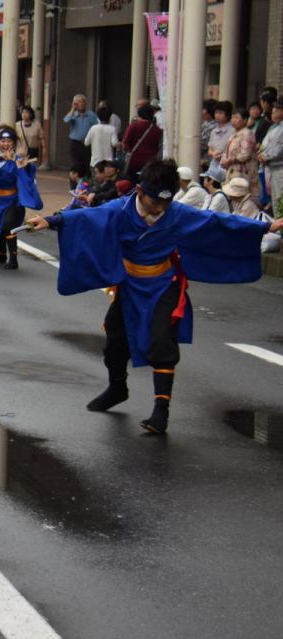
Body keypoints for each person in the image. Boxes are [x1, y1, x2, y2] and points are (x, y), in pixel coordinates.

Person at [28, 159, 283, 435]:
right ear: (140, 191)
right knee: (115, 339)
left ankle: (161, 410)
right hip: (130, 285)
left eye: (166, 201)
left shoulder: (177, 213)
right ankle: (117, 387)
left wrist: (263, 228)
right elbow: (87, 217)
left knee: (162, 341)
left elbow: (217, 221)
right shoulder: (120, 210)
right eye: (155, 201)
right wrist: (51, 220)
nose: (160, 207)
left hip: (164, 284)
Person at [0, 128, 42, 269]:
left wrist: (24, 167)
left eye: (9, 141)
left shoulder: (18, 160)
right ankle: (1, 254)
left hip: (12, 199)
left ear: (14, 143)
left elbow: (27, 175)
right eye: (3, 141)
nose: (6, 144)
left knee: (8, 227)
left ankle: (13, 259)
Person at [220, 107, 258, 199]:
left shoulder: (247, 133)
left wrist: (230, 160)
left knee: (241, 196)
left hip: (243, 171)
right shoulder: (233, 133)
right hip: (232, 170)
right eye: (232, 118)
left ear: (245, 120)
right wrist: (223, 160)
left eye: (237, 118)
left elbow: (245, 155)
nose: (234, 120)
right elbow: (227, 151)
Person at [120, 105, 163, 184]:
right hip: (150, 163)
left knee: (132, 184)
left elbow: (125, 144)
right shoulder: (157, 130)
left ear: (139, 114)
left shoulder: (134, 126)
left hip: (134, 161)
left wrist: (129, 151)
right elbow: (159, 147)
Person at [258, 100, 283, 214]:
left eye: (276, 111)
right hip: (270, 167)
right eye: (272, 111)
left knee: (279, 198)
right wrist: (261, 154)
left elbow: (280, 149)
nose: (273, 114)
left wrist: (266, 156)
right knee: (274, 198)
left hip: (280, 167)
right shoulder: (273, 127)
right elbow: (265, 145)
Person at [63, 94, 98, 172]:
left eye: (82, 102)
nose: (81, 104)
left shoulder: (91, 115)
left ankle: (85, 183)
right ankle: (75, 183)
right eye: (78, 102)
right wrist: (72, 109)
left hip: (87, 144)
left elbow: (96, 127)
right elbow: (66, 120)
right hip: (75, 144)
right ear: (74, 104)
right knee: (76, 166)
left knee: (86, 166)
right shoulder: (73, 115)